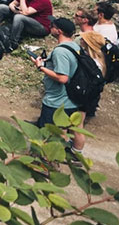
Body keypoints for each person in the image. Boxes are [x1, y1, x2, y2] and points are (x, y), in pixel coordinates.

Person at [31, 18, 84, 149]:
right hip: (70, 100)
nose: (50, 27)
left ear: (58, 31)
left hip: (56, 101)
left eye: (52, 26)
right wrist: (45, 63)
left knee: (48, 135)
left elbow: (62, 78)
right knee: (62, 132)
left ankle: (45, 161)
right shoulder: (75, 46)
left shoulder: (60, 52)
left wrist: (41, 67)